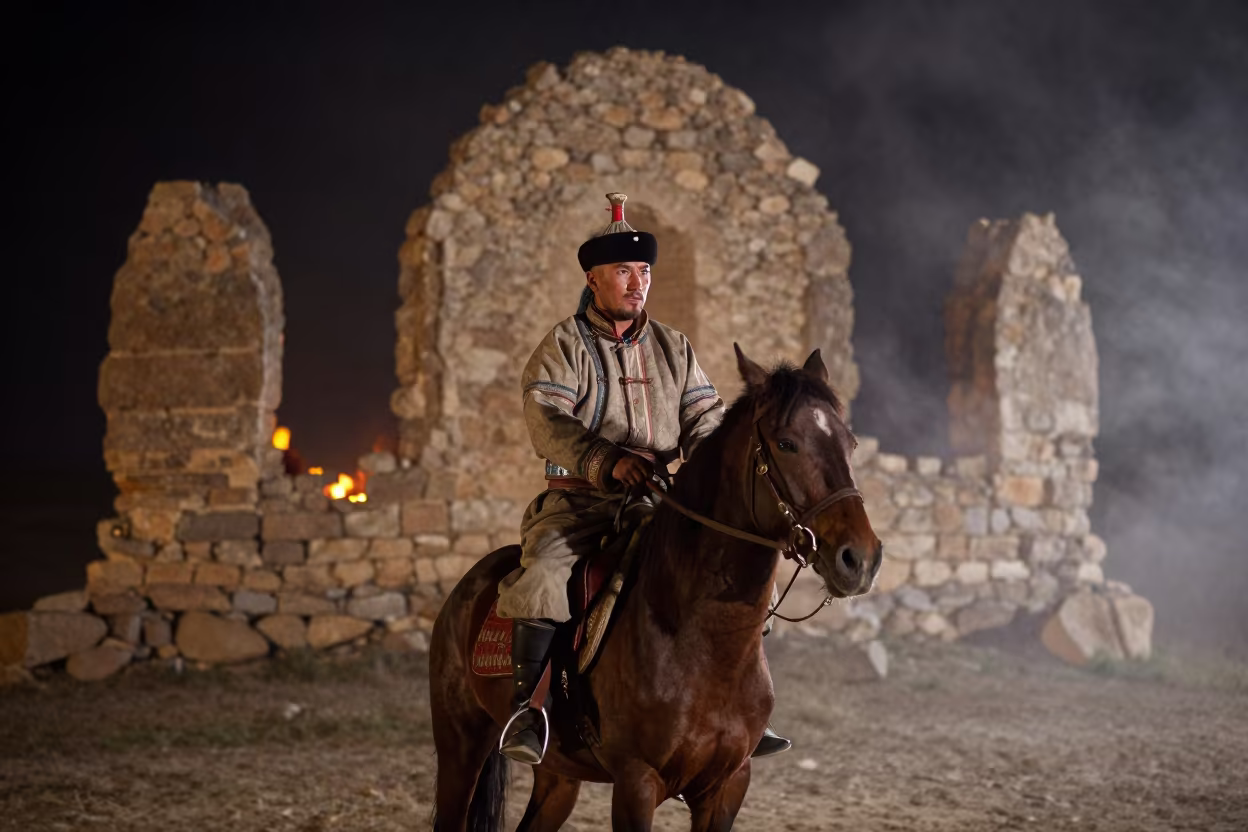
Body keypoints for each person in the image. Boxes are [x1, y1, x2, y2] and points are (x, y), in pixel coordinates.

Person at [496, 193, 791, 765]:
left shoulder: (673, 347)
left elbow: (706, 421)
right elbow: (546, 420)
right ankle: (526, 713)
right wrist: (607, 460)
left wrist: (709, 473)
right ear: (594, 278)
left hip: (657, 504)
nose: (637, 283)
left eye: (645, 272)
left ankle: (738, 709)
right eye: (624, 271)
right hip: (579, 507)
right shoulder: (564, 345)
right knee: (547, 577)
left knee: (743, 577)